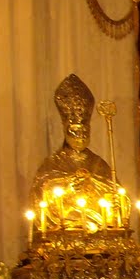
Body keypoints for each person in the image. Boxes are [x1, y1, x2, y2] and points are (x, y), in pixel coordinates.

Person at [29, 73, 122, 230]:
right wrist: (67, 187)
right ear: (65, 130)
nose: (81, 136)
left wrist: (112, 197)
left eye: (85, 131)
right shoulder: (52, 164)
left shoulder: (99, 164)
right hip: (65, 228)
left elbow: (116, 194)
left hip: (98, 228)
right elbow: (40, 195)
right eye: (76, 131)